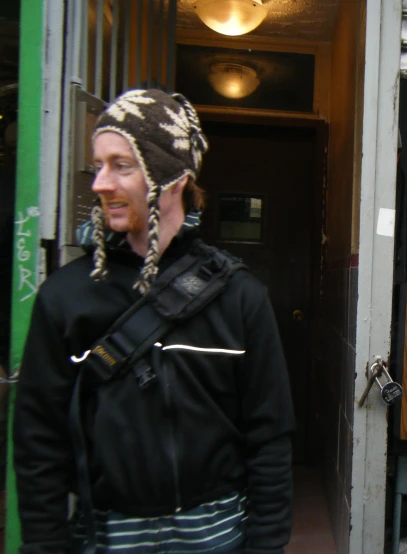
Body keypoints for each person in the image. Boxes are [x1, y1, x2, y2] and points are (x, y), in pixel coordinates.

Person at [13, 89, 295, 553]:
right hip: (107, 536)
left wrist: (265, 545)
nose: (100, 183)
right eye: (99, 164)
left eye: (122, 165)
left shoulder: (239, 297)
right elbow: (37, 441)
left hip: (218, 534)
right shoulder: (66, 297)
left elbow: (270, 436)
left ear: (173, 177)